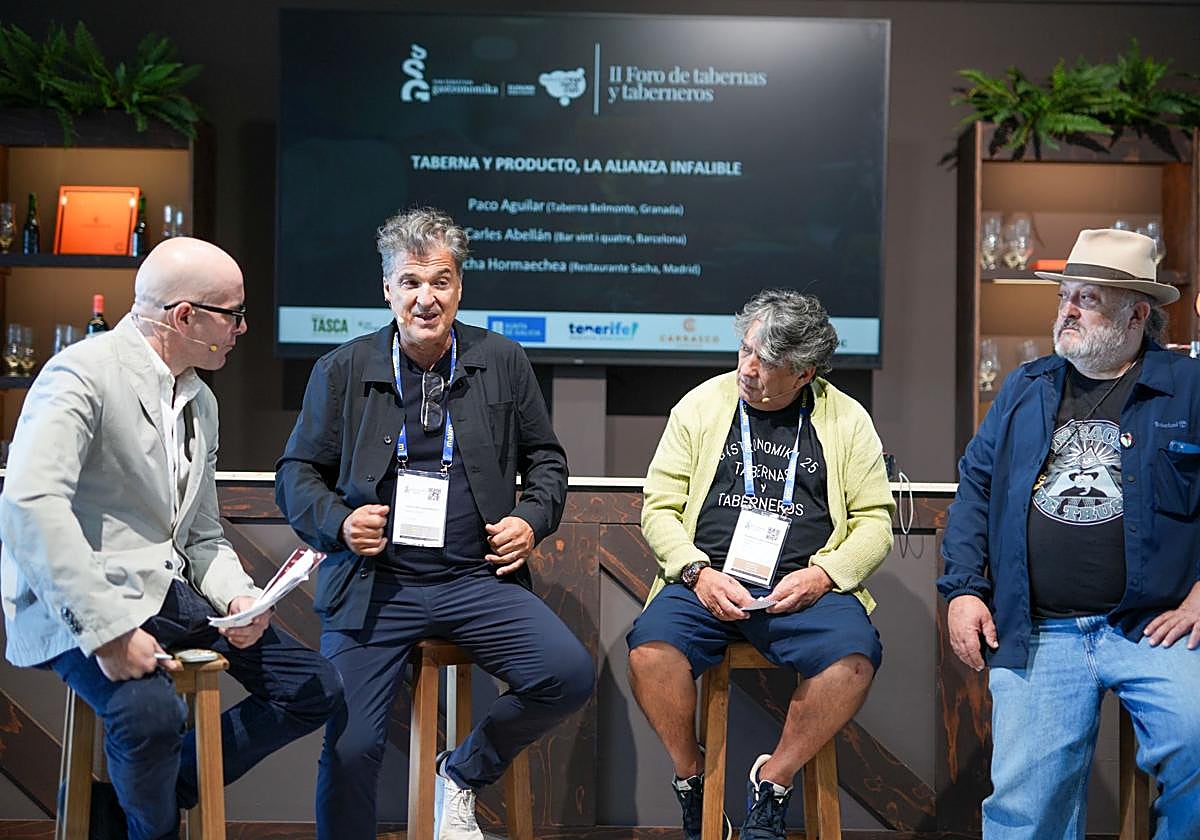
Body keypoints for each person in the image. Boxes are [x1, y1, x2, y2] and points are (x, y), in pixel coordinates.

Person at [0, 237, 343, 840]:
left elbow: (202, 532)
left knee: (314, 687)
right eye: (233, 314)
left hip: (166, 592)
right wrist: (109, 632)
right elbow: (31, 505)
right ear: (185, 316)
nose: (242, 328)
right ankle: (152, 824)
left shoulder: (200, 401)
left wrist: (239, 597)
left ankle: (142, 801)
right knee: (154, 716)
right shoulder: (80, 373)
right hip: (81, 598)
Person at [275, 207, 594, 840]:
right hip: (375, 585)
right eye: (412, 282)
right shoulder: (342, 369)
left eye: (441, 281)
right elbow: (295, 474)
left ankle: (464, 771)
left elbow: (547, 461)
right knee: (350, 746)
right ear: (387, 290)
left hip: (477, 579)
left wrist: (531, 520)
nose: (427, 298)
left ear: (459, 287)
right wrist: (340, 522)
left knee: (567, 675)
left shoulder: (502, 359)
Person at [939, 228, 1200, 839]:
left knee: (1198, 746)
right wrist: (964, 589)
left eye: (1089, 299)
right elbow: (974, 488)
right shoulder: (1025, 387)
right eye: (1065, 296)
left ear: (1137, 315)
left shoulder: (1189, 387)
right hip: (1040, 627)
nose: (1068, 311)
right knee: (1025, 808)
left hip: (1153, 627)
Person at [626, 289, 894, 840]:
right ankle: (694, 780)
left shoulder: (846, 418)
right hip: (706, 582)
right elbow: (659, 509)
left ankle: (773, 782)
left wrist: (824, 574)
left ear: (804, 372)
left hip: (805, 590)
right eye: (746, 350)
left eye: (768, 362)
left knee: (853, 661)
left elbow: (874, 523)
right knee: (650, 653)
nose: (748, 368)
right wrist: (696, 572)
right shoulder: (701, 405)